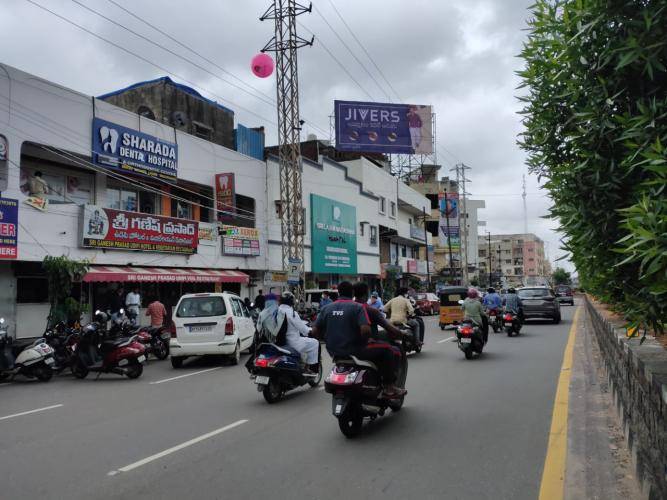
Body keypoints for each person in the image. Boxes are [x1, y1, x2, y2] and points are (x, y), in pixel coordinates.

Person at [312, 281, 406, 397]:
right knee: (388, 349)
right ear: (352, 293)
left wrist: (327, 340)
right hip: (355, 350)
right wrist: (366, 340)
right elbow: (366, 331)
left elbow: (314, 331)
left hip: (334, 351)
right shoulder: (358, 307)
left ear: (338, 293)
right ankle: (389, 387)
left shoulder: (326, 308)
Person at [279, 291, 320, 374]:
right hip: (292, 343)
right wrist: (311, 331)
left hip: (278, 342)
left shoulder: (276, 310)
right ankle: (311, 369)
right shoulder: (292, 313)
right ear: (292, 302)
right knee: (315, 343)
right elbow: (303, 330)